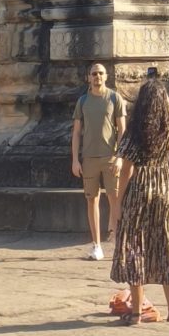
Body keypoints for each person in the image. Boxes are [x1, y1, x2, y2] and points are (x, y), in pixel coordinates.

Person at [110, 66, 169, 324]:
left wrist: (117, 203)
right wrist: (160, 88)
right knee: (163, 244)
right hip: (163, 186)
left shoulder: (135, 132)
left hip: (139, 187)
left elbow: (126, 170)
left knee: (135, 248)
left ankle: (137, 312)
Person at [70, 61, 128, 261]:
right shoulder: (83, 101)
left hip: (110, 157)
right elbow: (76, 132)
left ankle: (119, 244)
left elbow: (122, 130)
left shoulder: (114, 98)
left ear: (106, 76)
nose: (97, 77)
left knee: (115, 200)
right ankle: (96, 245)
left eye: (101, 73)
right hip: (89, 158)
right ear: (89, 77)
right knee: (91, 200)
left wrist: (120, 156)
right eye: (94, 73)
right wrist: (75, 160)